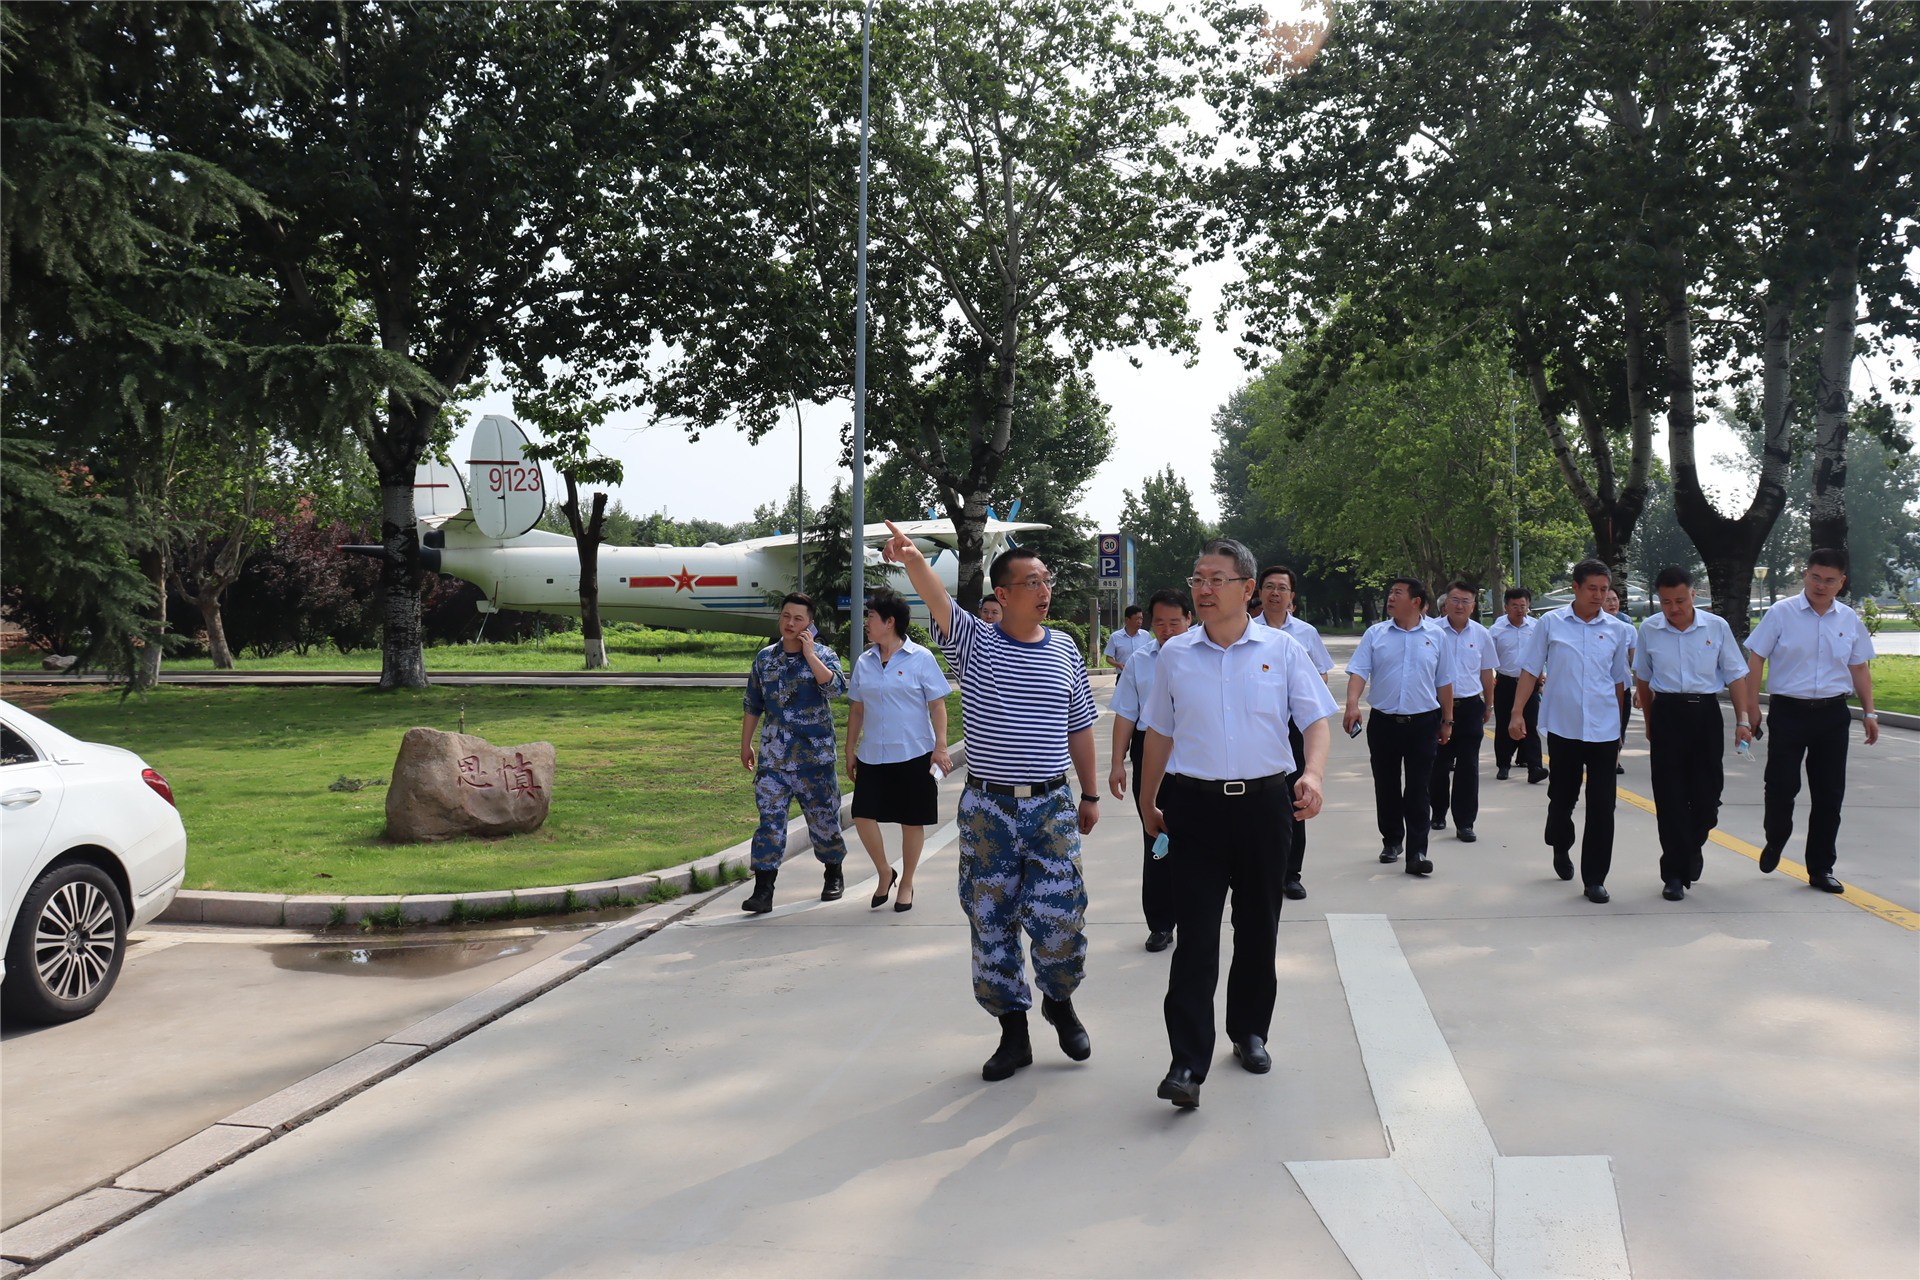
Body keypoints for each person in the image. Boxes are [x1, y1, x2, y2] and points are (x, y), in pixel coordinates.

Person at [881, 521, 1101, 1082]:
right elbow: (937, 598)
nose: (1044, 590)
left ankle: (1059, 998)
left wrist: (1091, 791)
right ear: (1002, 595)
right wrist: (912, 560)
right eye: (1032, 581)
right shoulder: (976, 644)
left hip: (1051, 806)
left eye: (1046, 580)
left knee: (1062, 920)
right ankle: (1013, 1033)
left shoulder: (1066, 649)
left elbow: (1079, 726)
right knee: (991, 921)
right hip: (989, 812)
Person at [1137, 539, 1336, 1109]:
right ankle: (1185, 1063)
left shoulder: (1283, 649)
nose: (1202, 589)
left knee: (1258, 928)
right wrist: (1150, 801)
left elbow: (1316, 720)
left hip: (1264, 806)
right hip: (1194, 809)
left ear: (1247, 589)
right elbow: (1160, 734)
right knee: (1194, 938)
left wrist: (1314, 775)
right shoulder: (1176, 655)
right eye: (1198, 578)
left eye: (1216, 579)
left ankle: (1250, 1031)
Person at [1744, 548, 1879, 893]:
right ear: (1805, 574)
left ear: (1841, 582)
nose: (1821, 585)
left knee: (1829, 794)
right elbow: (1756, 658)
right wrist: (1752, 708)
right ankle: (1776, 838)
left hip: (1833, 715)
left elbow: (1859, 667)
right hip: (1789, 711)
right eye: (1815, 577)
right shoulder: (1781, 613)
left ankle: (1820, 867)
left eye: (1829, 580)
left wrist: (1870, 712)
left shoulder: (1849, 619)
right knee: (1781, 786)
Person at [1510, 561, 1633, 903]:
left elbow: (1619, 681)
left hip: (1604, 730)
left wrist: (1619, 728)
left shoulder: (1617, 629)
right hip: (1564, 727)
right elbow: (1530, 669)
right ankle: (1560, 842)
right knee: (1562, 799)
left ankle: (1594, 878)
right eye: (1591, 588)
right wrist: (1517, 713)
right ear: (1576, 588)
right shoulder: (1551, 623)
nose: (1598, 595)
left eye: (1604, 589)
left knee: (1602, 805)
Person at [1633, 567, 1755, 901]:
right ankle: (1673, 873)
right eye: (1666, 602)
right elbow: (1643, 678)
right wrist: (1648, 721)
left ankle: (1691, 845)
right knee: (1670, 797)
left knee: (1707, 796)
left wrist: (1743, 719)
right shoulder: (1649, 629)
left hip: (1705, 714)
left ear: (1693, 595)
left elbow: (1736, 674)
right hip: (1667, 714)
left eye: (1680, 600)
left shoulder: (1716, 627)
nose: (1673, 608)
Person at [739, 593, 850, 913]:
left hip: (814, 758)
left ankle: (833, 872)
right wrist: (745, 743)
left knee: (824, 820)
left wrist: (809, 653)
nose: (790, 623)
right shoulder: (764, 659)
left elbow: (834, 689)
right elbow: (753, 703)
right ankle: (763, 889)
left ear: (809, 624)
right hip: (774, 758)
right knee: (769, 823)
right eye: (786, 616)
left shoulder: (824, 655)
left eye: (798, 618)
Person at [846, 589, 954, 914]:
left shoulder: (921, 658)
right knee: (862, 815)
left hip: (914, 753)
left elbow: (937, 705)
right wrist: (849, 750)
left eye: (872, 617)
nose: (867, 623)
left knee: (912, 821)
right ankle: (884, 871)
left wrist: (941, 746)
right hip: (872, 755)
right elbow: (856, 711)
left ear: (889, 622)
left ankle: (906, 882)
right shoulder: (864, 662)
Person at [1343, 578, 1454, 875]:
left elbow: (1444, 681)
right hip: (1384, 723)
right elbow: (1358, 671)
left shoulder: (1437, 636)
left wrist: (1447, 720)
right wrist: (1352, 704)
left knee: (1418, 789)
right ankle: (1392, 840)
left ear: (1416, 601)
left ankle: (1418, 851)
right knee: (1387, 785)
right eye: (1390, 592)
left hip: (1423, 723)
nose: (1390, 598)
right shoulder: (1375, 634)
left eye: (1397, 593)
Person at [1107, 588, 1193, 952]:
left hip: (1195, 757)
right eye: (1160, 622)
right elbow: (1126, 714)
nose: (1168, 629)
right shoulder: (1141, 660)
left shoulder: (1205, 656)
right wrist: (1117, 763)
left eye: (1175, 622)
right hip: (1151, 756)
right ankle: (1160, 922)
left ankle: (1195, 918)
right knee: (1157, 840)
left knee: (1197, 842)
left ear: (1190, 620)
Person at [1251, 565, 1335, 898]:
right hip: (1259, 726)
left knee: (1295, 797)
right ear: (1258, 592)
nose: (1274, 593)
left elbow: (1323, 678)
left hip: (1295, 727)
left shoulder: (1305, 633)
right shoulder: (1244, 631)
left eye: (1281, 588)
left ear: (1291, 596)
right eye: (1268, 587)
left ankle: (1290, 873)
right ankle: (1257, 868)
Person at [1429, 581, 1495, 842]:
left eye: (1465, 601)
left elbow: (1487, 672)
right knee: (1437, 764)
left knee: (1468, 766)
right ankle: (1438, 812)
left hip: (1469, 707)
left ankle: (1465, 822)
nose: (1459, 605)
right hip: (1434, 707)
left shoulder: (1481, 634)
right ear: (1445, 604)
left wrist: (1488, 704)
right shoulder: (1431, 631)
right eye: (1455, 600)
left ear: (1473, 606)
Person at [1490, 586, 1548, 783]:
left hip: (1529, 682)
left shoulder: (1536, 627)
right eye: (1514, 606)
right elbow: (1488, 658)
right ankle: (1504, 765)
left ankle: (1535, 767)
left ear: (1528, 605)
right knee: (1505, 724)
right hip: (1505, 682)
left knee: (1531, 724)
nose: (1519, 610)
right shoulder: (1496, 630)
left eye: (1523, 605)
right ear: (1506, 606)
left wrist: (1541, 677)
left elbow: (1542, 654)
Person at [1605, 586, 1635, 773]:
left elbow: (1636, 661)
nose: (1612, 603)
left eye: (1614, 599)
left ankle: (1614, 759)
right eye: (1608, 600)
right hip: (1601, 687)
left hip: (1622, 685)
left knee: (1620, 724)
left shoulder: (1629, 628)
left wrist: (1641, 688)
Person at [1104, 604, 1153, 671]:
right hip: (1123, 675)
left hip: (1142, 675)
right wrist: (1118, 665)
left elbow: (1153, 654)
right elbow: (1109, 658)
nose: (1139, 622)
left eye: (1141, 619)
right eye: (1136, 619)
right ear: (1127, 620)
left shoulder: (1146, 635)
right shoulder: (1115, 637)